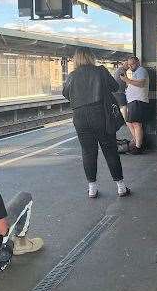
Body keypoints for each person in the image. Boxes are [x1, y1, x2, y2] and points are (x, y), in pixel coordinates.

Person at [63, 48, 130, 199]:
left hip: (80, 117)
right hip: (100, 115)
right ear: (91, 58)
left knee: (88, 151)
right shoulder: (100, 71)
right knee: (110, 149)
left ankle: (92, 189)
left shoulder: (72, 76)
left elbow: (66, 93)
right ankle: (121, 187)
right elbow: (115, 87)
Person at [120, 56, 149, 154]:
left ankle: (138, 147)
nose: (130, 66)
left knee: (136, 124)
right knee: (130, 122)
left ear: (138, 62)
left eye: (132, 64)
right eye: (129, 64)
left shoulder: (141, 70)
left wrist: (126, 80)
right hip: (134, 101)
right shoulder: (136, 72)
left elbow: (141, 84)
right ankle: (137, 141)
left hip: (138, 101)